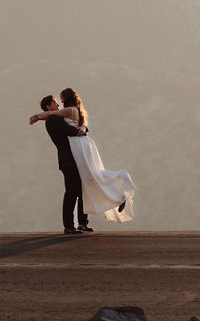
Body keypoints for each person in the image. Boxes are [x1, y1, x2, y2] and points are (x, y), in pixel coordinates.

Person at [29, 87, 136, 231]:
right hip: (70, 158)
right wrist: (78, 130)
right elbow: (69, 127)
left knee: (84, 187)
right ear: (48, 106)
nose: (59, 105)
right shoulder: (53, 119)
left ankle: (82, 222)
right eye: (55, 102)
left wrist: (38, 117)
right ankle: (72, 225)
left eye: (60, 101)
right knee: (74, 191)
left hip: (79, 153)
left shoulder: (62, 114)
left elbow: (78, 126)